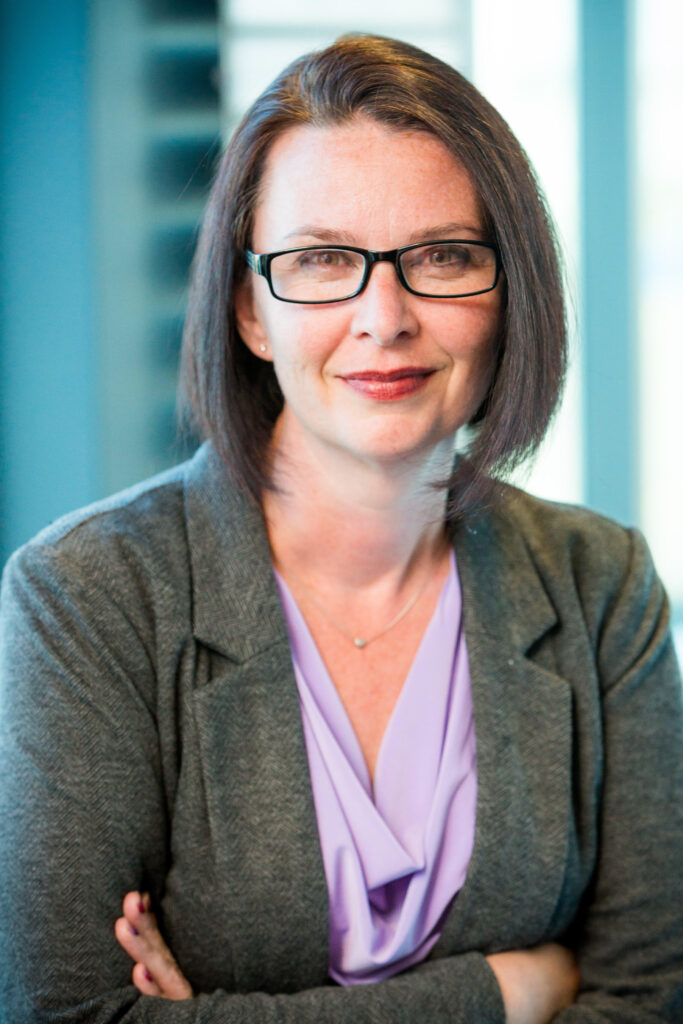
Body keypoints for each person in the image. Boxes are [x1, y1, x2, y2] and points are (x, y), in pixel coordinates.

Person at [0, 33, 681, 1024]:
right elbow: (65, 1014)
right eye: (322, 260)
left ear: (509, 292)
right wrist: (507, 991)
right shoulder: (88, 595)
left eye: (442, 256)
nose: (384, 313)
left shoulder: (599, 584)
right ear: (248, 310)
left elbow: (649, 999)